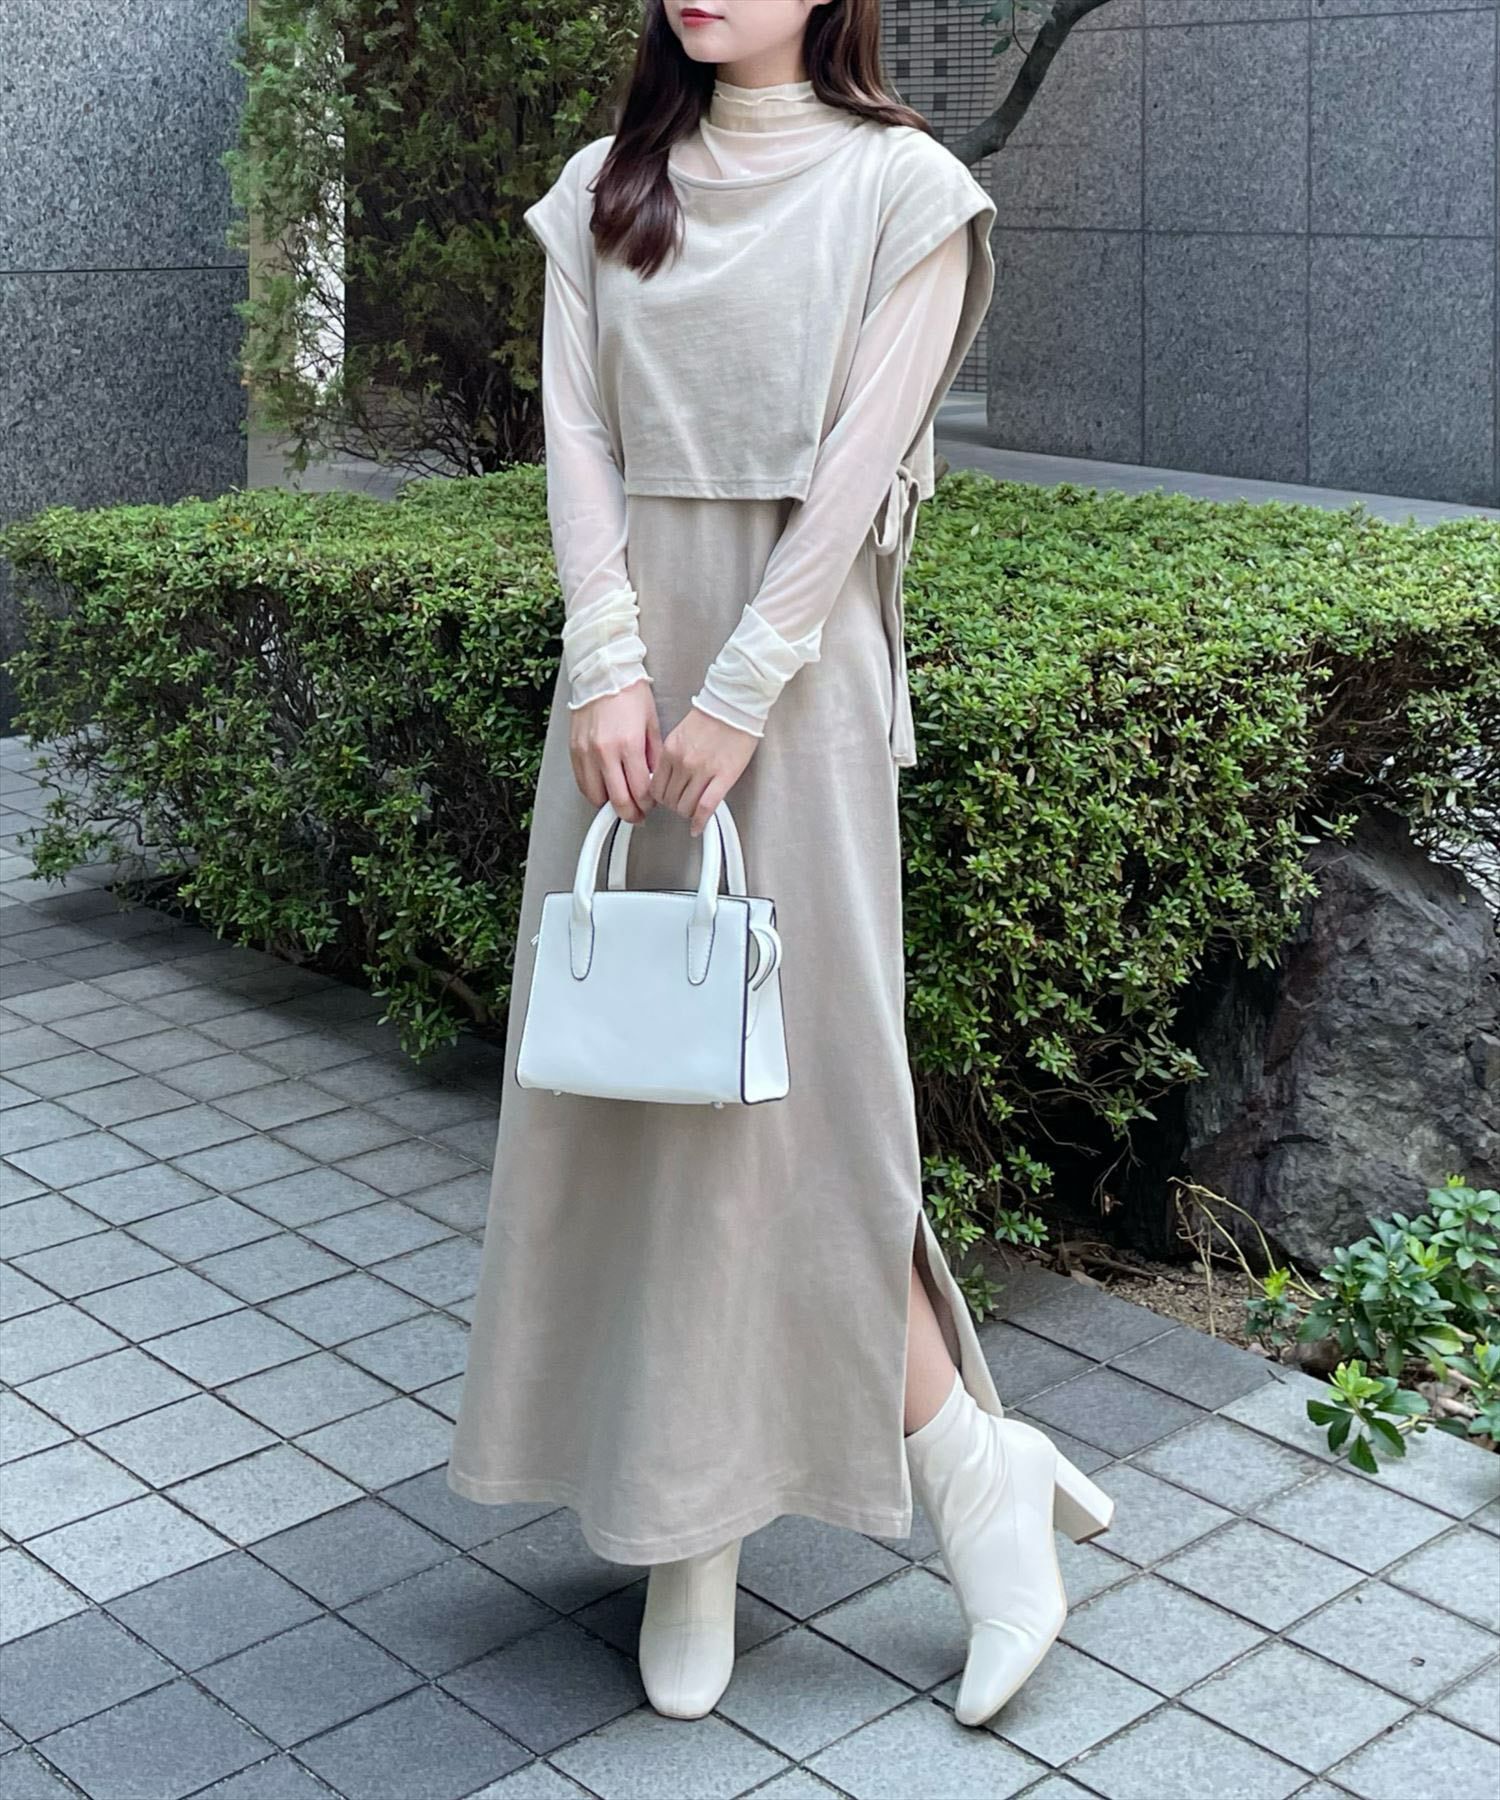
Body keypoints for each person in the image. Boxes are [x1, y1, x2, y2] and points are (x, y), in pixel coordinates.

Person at [445, 0, 1114, 1731]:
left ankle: (970, 1481)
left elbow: (855, 477)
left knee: (806, 1112)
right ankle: (692, 1524)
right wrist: (609, 662)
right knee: (643, 1102)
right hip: (622, 690)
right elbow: (577, 439)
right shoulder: (605, 185)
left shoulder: (905, 191)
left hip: (798, 695)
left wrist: (736, 693)